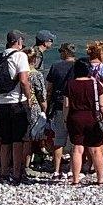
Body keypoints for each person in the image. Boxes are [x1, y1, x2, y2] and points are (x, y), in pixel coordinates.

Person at [0, 30, 34, 184]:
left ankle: (4, 172)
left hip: (1, 101)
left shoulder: (1, 56)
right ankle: (17, 173)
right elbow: (24, 80)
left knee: (5, 139)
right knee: (17, 139)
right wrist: (29, 98)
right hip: (16, 102)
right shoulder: (20, 56)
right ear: (18, 41)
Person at [63, 59, 103, 185]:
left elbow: (66, 105)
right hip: (92, 118)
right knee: (95, 150)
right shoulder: (95, 84)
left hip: (75, 117)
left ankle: (76, 179)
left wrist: (65, 119)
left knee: (77, 149)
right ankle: (100, 179)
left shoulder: (70, 84)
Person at [45, 42, 76, 180]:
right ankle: (71, 170)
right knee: (74, 140)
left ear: (64, 52)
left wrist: (46, 106)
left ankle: (56, 170)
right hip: (75, 107)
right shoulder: (79, 66)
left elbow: (49, 89)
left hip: (58, 105)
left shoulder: (56, 66)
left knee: (59, 139)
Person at [21, 47, 48, 169]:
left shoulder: (20, 74)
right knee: (33, 136)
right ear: (35, 60)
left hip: (19, 105)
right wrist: (45, 109)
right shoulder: (36, 75)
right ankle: (28, 164)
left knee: (22, 136)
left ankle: (18, 163)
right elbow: (41, 95)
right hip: (34, 106)